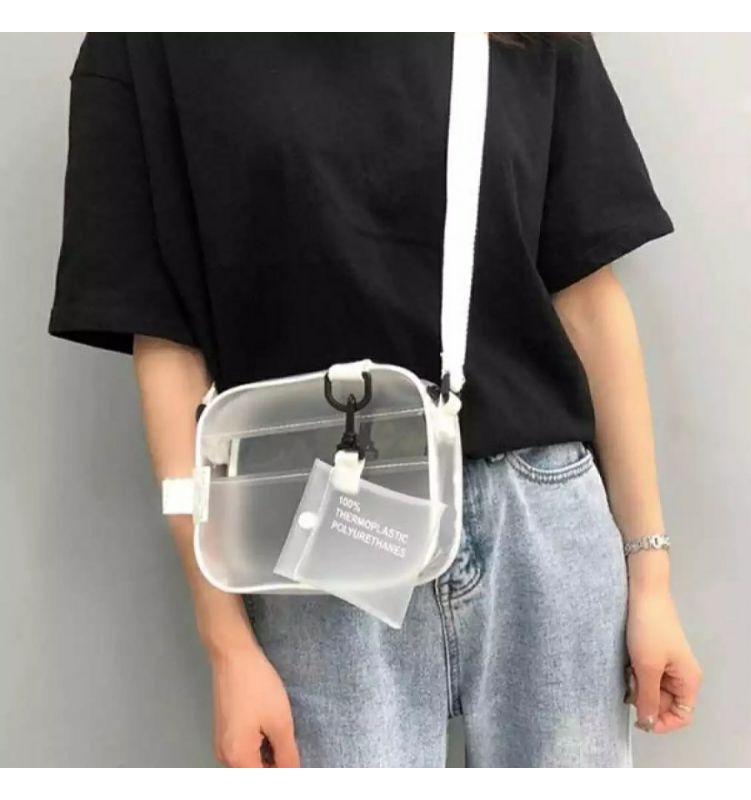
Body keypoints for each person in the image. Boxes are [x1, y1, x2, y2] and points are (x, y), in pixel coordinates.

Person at [48, 31, 703, 768]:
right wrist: (226, 643)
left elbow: (587, 296)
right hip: (318, 537)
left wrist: (650, 578)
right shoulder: (148, 39)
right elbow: (167, 348)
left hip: (540, 520)